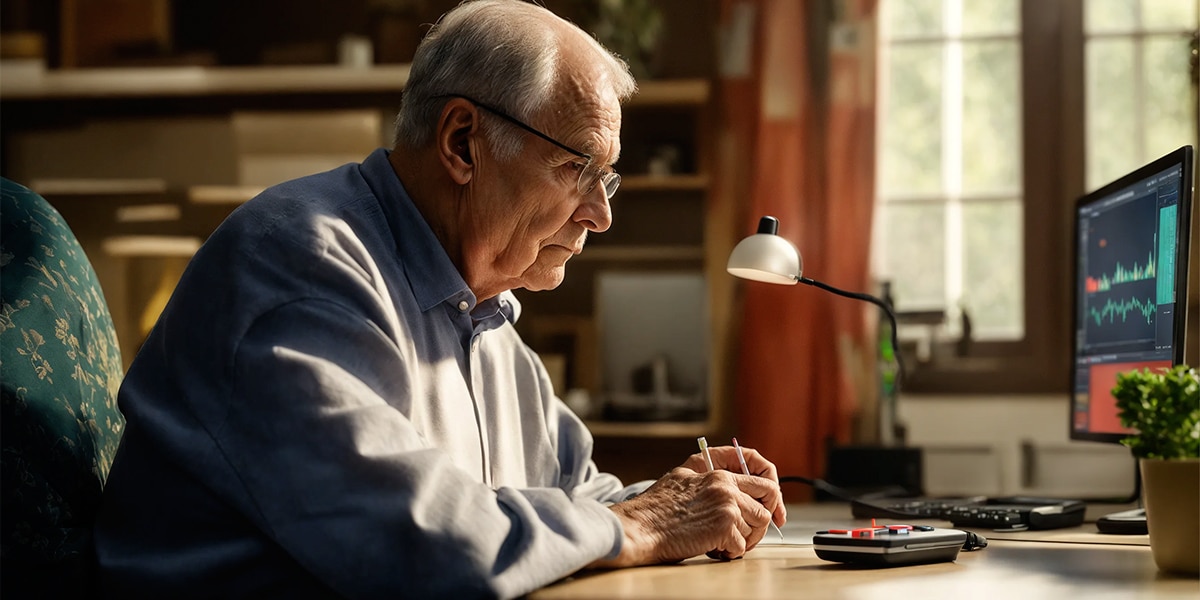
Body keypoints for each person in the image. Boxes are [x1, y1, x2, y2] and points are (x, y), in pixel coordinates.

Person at [93, 1, 786, 597]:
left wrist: (688, 499)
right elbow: (429, 548)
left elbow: (574, 500)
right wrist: (645, 522)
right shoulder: (298, 267)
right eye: (579, 169)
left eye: (607, 179)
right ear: (462, 142)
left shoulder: (484, 317)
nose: (600, 215)